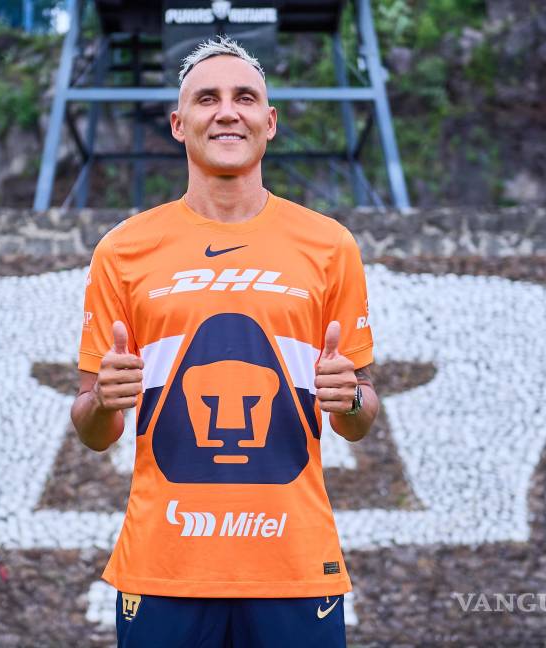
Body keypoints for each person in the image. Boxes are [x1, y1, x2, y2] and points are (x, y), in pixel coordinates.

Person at [71, 34, 379, 648]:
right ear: (178, 124)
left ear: (270, 121)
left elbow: (360, 416)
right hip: (164, 564)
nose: (227, 112)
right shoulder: (122, 250)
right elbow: (93, 430)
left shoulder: (330, 245)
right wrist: (103, 400)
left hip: (295, 564)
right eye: (207, 98)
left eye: (245, 97)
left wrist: (347, 397)